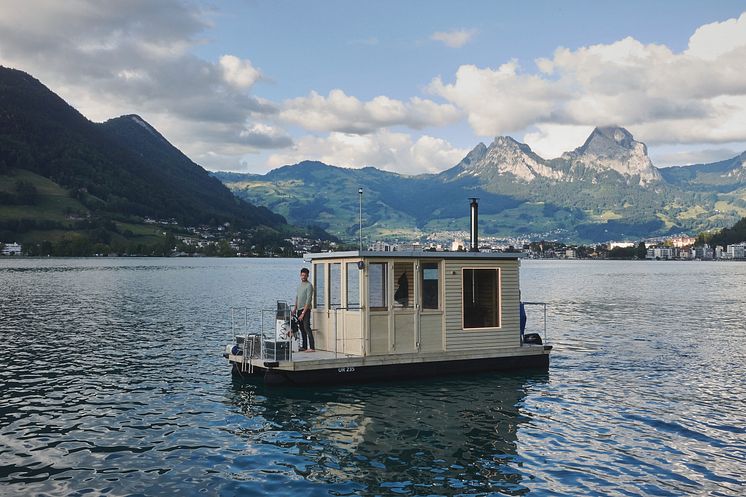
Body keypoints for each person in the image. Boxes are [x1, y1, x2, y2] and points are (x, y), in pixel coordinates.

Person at [294, 267, 315, 352]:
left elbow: (308, 300)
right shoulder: (299, 286)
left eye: (305, 275)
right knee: (301, 328)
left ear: (307, 276)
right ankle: (305, 346)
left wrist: (303, 313)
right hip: (299, 309)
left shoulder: (309, 286)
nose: (303, 277)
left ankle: (312, 347)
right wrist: (294, 309)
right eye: (302, 275)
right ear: (300, 275)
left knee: (307, 327)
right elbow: (297, 297)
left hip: (306, 310)